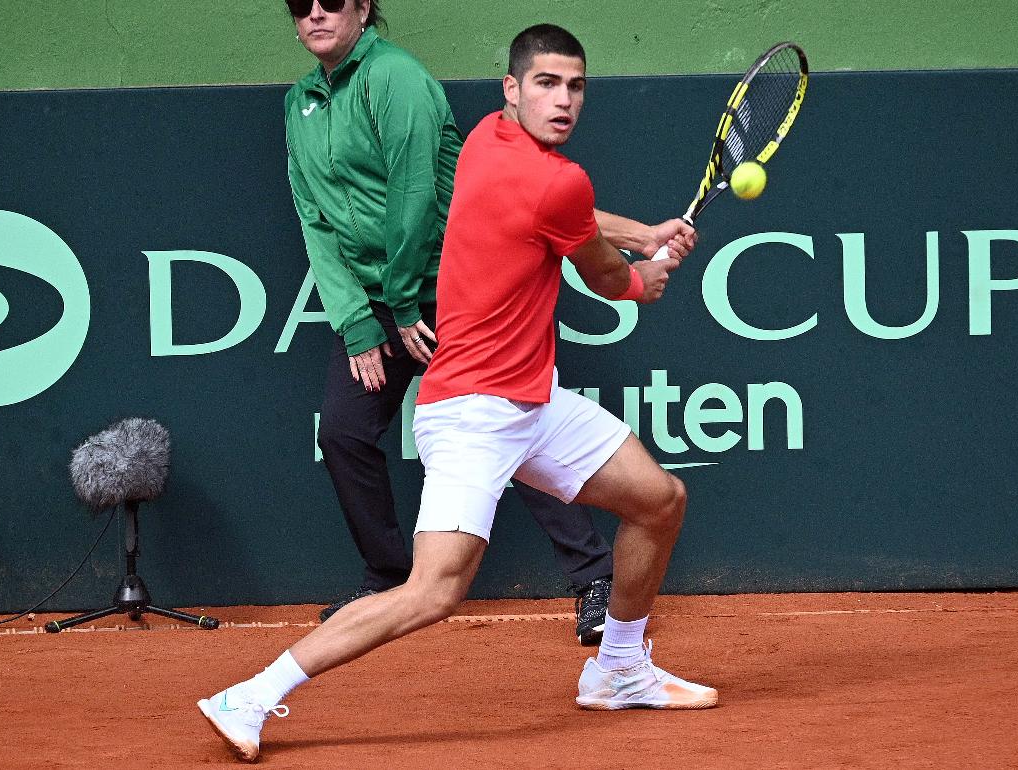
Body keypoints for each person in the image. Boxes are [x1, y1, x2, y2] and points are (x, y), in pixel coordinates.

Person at [199, 22, 717, 762]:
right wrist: (645, 279)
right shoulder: (557, 179)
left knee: (660, 500)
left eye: (575, 86)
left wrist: (643, 233)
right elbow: (606, 274)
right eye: (545, 83)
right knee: (433, 592)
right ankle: (248, 694)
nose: (562, 100)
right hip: (475, 408)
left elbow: (570, 221)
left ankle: (620, 671)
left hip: (532, 399)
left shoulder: (485, 142)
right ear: (513, 89)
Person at [279, 0, 614, 643]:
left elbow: (417, 194)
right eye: (301, 4)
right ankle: (389, 583)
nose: (316, 13)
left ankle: (594, 576)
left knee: (505, 425)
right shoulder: (300, 104)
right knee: (345, 434)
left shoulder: (396, 77)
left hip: (449, 285)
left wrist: (406, 301)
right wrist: (357, 319)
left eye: (332, 1)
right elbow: (314, 219)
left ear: (363, 8)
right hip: (379, 303)